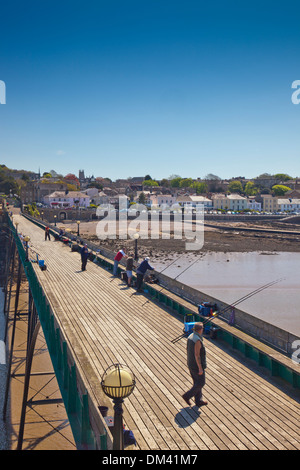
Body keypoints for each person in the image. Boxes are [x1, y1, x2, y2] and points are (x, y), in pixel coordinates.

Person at [182, 322, 208, 408]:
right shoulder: (197, 340)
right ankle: (187, 396)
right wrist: (200, 368)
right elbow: (197, 355)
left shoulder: (190, 336)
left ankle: (198, 400)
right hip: (196, 366)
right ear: (200, 330)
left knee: (196, 382)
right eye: (202, 328)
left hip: (190, 363)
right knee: (201, 383)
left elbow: (187, 349)